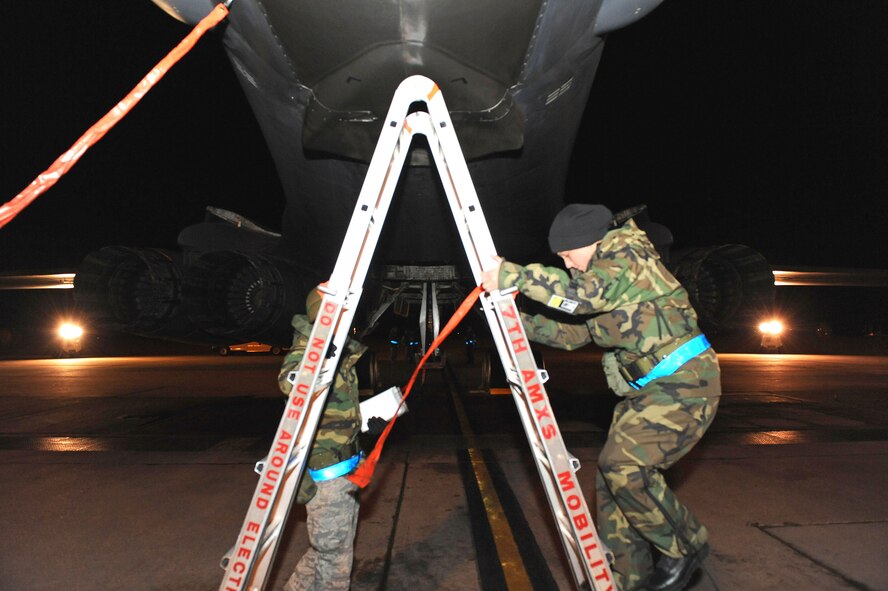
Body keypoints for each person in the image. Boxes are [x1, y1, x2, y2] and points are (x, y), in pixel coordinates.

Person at [481, 204, 721, 591]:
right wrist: (510, 323)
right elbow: (573, 334)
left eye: (566, 255)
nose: (568, 264)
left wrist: (513, 275)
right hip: (649, 392)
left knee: (624, 466)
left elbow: (581, 298)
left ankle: (686, 544)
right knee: (612, 490)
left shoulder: (626, 255)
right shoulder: (606, 281)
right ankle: (631, 581)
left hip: (685, 383)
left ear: (587, 242)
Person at [277, 286, 366, 591]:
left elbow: (335, 408)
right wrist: (311, 366)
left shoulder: (335, 348)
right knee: (335, 560)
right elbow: (292, 379)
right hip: (328, 476)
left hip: (348, 467)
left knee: (328, 550)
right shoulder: (311, 347)